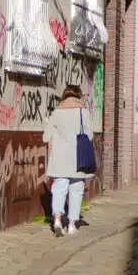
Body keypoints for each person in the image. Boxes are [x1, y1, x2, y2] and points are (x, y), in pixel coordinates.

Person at [43, 85, 94, 237]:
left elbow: (46, 137)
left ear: (64, 96)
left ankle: (57, 219)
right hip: (78, 159)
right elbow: (90, 136)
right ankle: (72, 224)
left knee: (59, 189)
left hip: (59, 160)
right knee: (76, 191)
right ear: (79, 97)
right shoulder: (83, 113)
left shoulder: (57, 113)